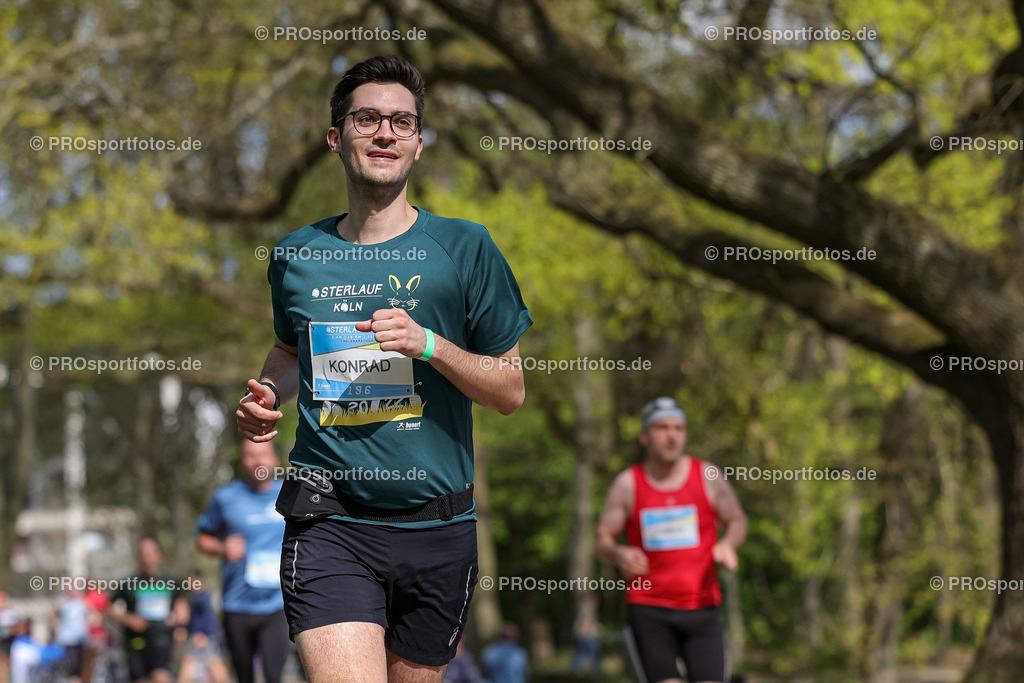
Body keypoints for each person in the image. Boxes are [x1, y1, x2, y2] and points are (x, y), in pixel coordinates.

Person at [236, 54, 531, 682]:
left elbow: (509, 390)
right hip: (330, 520)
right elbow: (290, 353)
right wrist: (267, 395)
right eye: (367, 118)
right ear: (335, 138)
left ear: (419, 144)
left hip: (439, 528)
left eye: (402, 122)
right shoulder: (295, 255)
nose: (385, 132)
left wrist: (431, 346)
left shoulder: (465, 248)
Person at [595, 397, 748, 683]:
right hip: (649, 607)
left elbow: (737, 520)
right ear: (645, 436)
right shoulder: (628, 483)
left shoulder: (708, 476)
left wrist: (728, 545)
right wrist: (619, 554)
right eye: (662, 427)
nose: (672, 435)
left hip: (702, 607)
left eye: (678, 428)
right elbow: (602, 538)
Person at [196, 439, 289, 683]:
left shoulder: (289, 493)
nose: (258, 461)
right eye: (250, 455)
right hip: (237, 604)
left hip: (277, 604)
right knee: (243, 677)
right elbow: (202, 539)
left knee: (273, 675)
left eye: (263, 454)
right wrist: (222, 548)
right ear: (242, 461)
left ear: (275, 460)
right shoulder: (225, 497)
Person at [107, 537, 190, 683]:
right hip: (136, 641)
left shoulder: (169, 582)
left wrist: (180, 619)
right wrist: (129, 619)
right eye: (143, 554)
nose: (147, 559)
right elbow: (109, 607)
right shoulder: (129, 583)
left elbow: (181, 606)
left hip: (161, 639)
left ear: (159, 556)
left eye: (150, 554)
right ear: (138, 557)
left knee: (161, 677)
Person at [176, 570, 229, 683]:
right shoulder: (196, 596)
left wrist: (203, 634)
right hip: (202, 636)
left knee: (210, 663)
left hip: (203, 637)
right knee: (212, 663)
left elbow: (208, 618)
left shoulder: (202, 596)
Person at [53, 586, 90, 683]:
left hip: (79, 639)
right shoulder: (62, 602)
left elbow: (95, 617)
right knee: (69, 669)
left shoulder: (82, 602)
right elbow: (53, 618)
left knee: (77, 669)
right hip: (65, 640)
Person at [570, 592, 601, 673]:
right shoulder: (588, 606)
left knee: (580, 655)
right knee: (586, 656)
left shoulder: (586, 606)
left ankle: (578, 672)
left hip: (585, 633)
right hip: (586, 633)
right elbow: (586, 620)